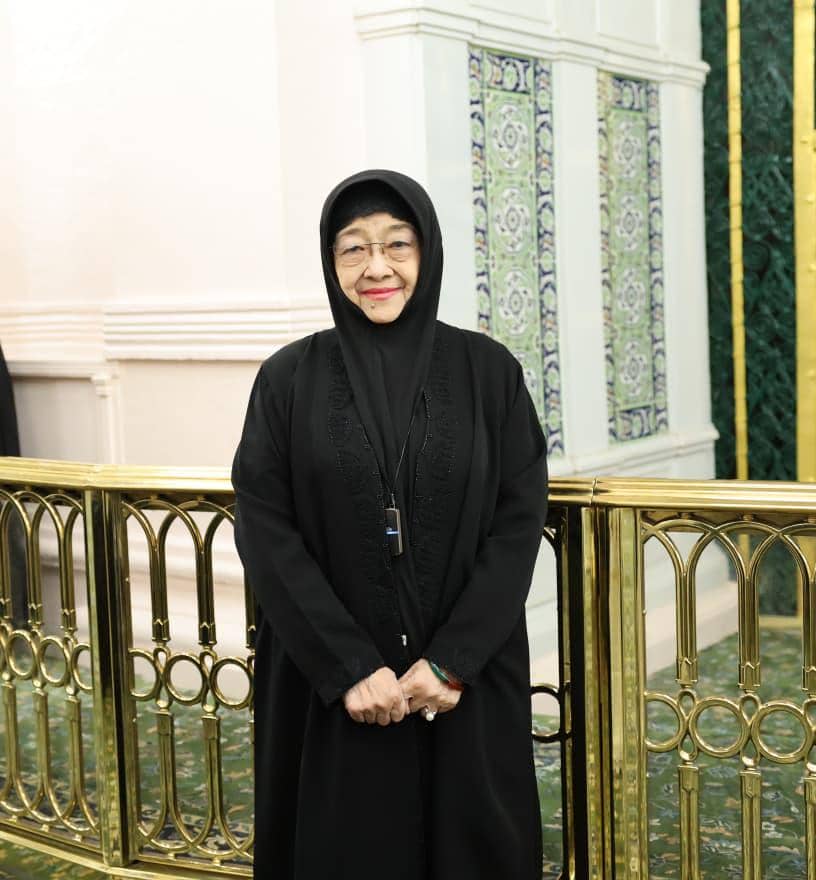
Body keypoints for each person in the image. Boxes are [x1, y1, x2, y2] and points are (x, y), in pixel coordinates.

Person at [231, 169, 548, 878]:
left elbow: (518, 519)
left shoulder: (489, 372)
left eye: (397, 244)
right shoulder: (287, 379)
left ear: (427, 251)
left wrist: (452, 660)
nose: (377, 268)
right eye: (354, 248)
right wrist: (347, 667)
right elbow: (265, 528)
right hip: (333, 690)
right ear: (331, 261)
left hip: (461, 685)